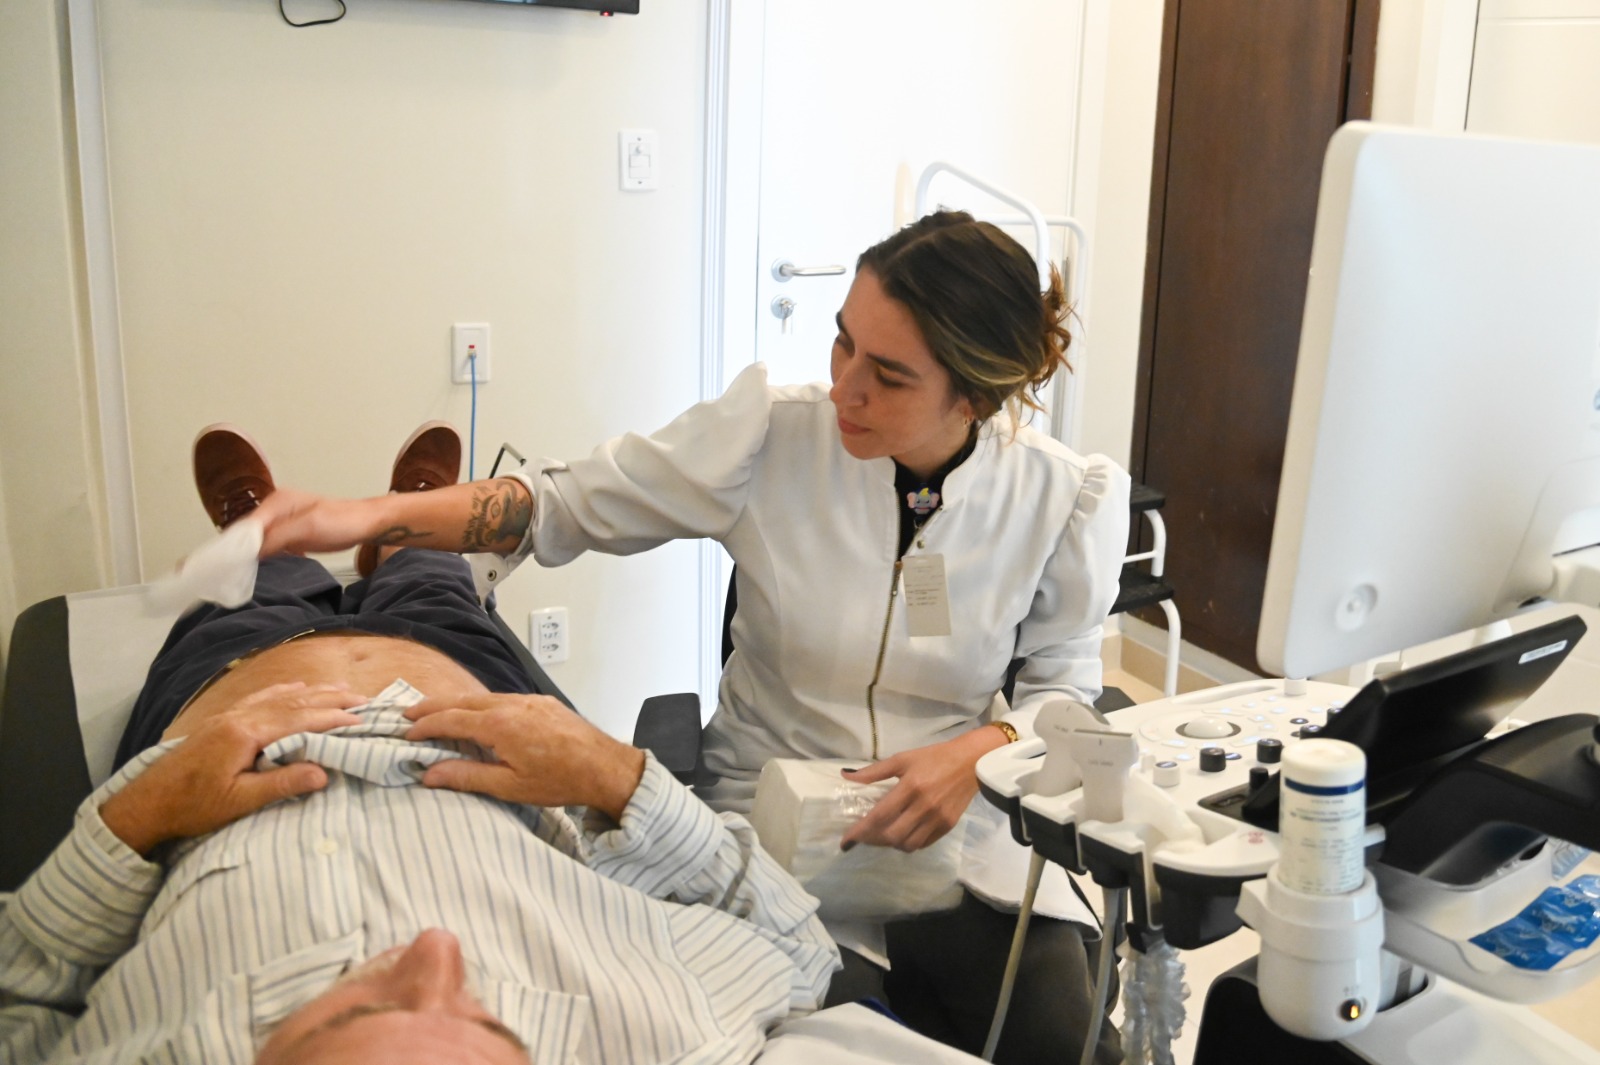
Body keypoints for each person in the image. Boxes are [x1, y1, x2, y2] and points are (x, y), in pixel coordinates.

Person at [250, 211, 1131, 1063]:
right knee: (794, 1027)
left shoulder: (1062, 497)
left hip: (958, 835)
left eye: (888, 376)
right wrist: (368, 514)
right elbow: (561, 503)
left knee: (1062, 1036)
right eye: (842, 342)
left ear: (973, 394)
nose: (844, 387)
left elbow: (1065, 689)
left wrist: (982, 750)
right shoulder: (772, 436)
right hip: (769, 828)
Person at [0, 426, 840, 1065]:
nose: (437, 951)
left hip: (236, 699)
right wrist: (615, 774)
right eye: (492, 1021)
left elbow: (16, 982)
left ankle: (251, 519)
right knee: (437, 576)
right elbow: (800, 944)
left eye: (349, 1008)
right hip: (466, 693)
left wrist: (142, 811)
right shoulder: (666, 1039)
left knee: (256, 573)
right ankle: (407, 529)